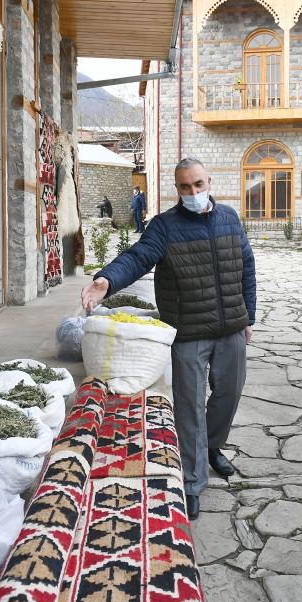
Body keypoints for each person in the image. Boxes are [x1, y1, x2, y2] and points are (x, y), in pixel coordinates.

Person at [81, 158, 256, 521]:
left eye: (197, 184)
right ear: (176, 189)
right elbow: (138, 257)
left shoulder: (229, 219)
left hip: (231, 329)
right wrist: (106, 281)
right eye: (183, 187)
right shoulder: (165, 226)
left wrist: (248, 317)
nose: (191, 192)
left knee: (229, 394)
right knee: (191, 406)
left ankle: (211, 448)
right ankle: (192, 482)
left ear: (210, 181)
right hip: (189, 331)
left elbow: (246, 266)